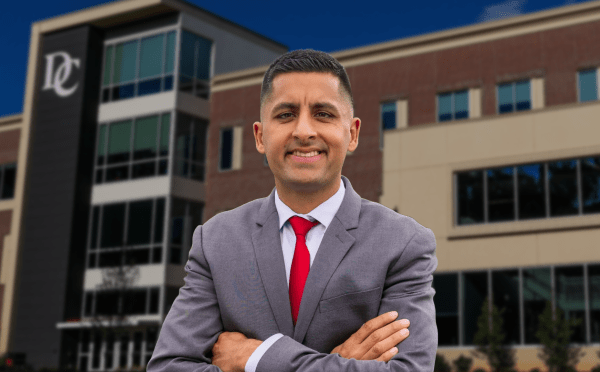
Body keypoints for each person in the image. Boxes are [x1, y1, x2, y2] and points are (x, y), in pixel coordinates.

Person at [147, 49, 437, 372]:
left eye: (323, 114)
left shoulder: (404, 243)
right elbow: (168, 367)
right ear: (259, 136)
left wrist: (255, 359)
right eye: (286, 115)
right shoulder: (215, 242)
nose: (303, 131)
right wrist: (338, 363)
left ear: (352, 134)